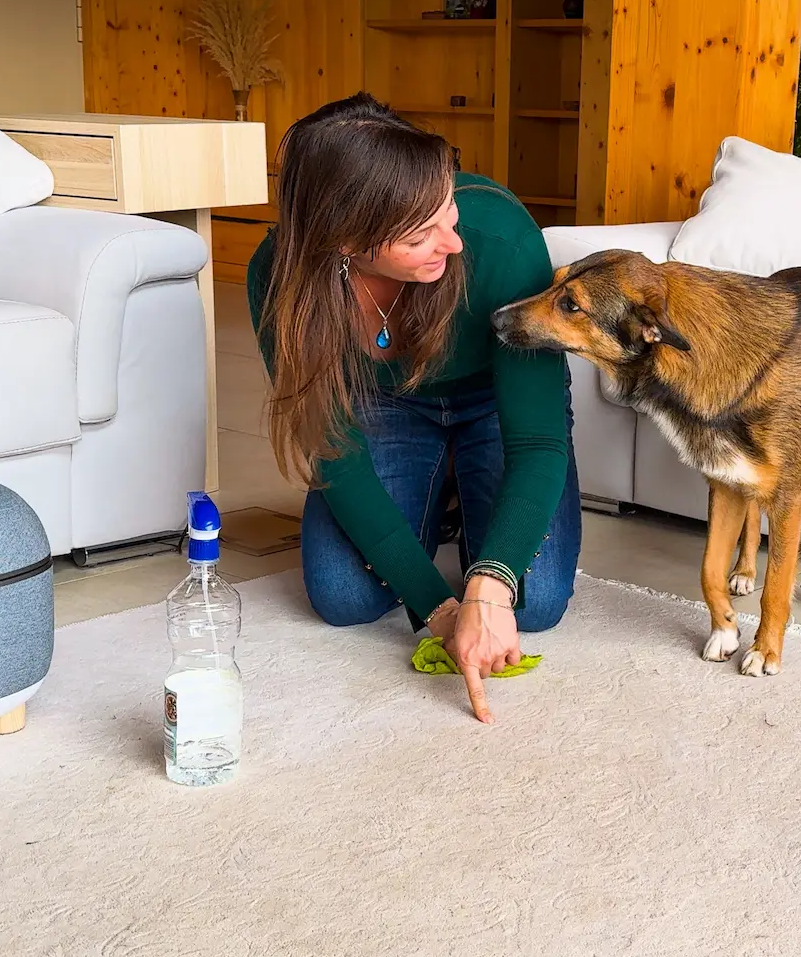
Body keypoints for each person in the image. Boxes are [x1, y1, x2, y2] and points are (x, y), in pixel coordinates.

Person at [249, 93, 581, 724]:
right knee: (343, 597)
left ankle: (463, 497)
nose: (451, 243)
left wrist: (491, 581)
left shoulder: (500, 240)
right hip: (386, 406)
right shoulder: (280, 278)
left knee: (531, 602)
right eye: (422, 233)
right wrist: (443, 608)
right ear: (346, 239)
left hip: (494, 405)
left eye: (447, 208)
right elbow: (337, 453)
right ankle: (446, 499)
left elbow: (537, 441)